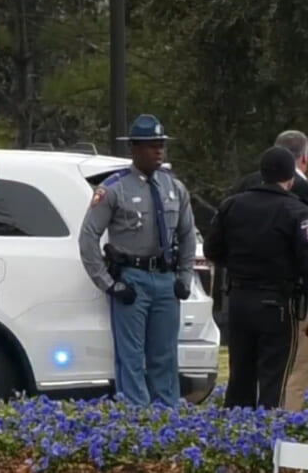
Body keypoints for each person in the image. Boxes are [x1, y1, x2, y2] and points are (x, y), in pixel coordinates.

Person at [78, 114, 197, 407]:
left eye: (161, 145)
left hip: (165, 280)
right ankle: (136, 416)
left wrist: (184, 277)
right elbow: (88, 238)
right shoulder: (113, 188)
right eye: (151, 145)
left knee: (165, 354)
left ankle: (167, 412)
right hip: (132, 279)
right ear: (134, 149)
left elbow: (188, 235)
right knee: (131, 355)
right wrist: (108, 284)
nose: (158, 151)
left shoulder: (174, 188)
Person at [204, 146, 308, 410]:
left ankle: (237, 435)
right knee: (275, 379)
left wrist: (237, 266)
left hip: (238, 299)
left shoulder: (231, 205)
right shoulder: (296, 211)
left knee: (240, 375)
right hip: (277, 303)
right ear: (290, 179)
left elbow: (211, 250)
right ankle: (268, 437)